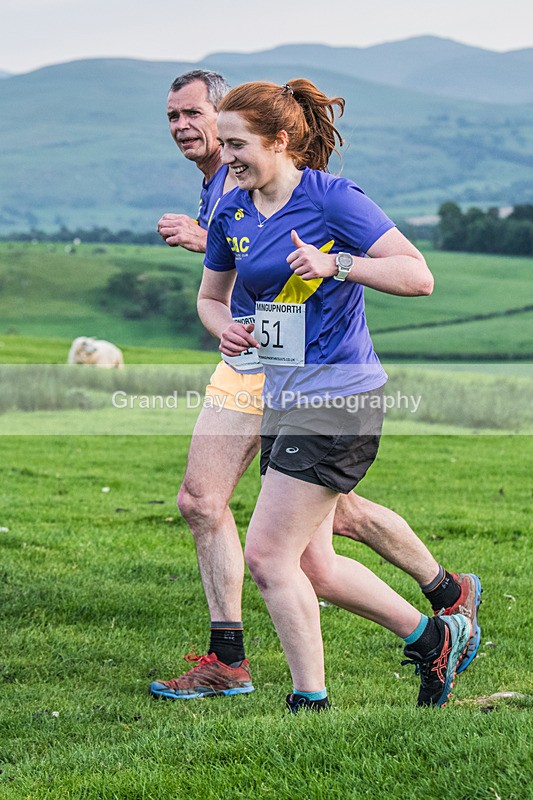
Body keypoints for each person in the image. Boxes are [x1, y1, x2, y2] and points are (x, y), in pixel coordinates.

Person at [149, 71, 481, 702]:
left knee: (271, 557)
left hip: (340, 398)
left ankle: (309, 701)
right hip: (281, 394)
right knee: (316, 565)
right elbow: (211, 297)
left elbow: (419, 276)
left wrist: (338, 264)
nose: (227, 157)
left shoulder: (331, 199)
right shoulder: (233, 210)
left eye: (237, 144)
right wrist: (227, 330)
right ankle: (436, 635)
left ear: (279, 141)